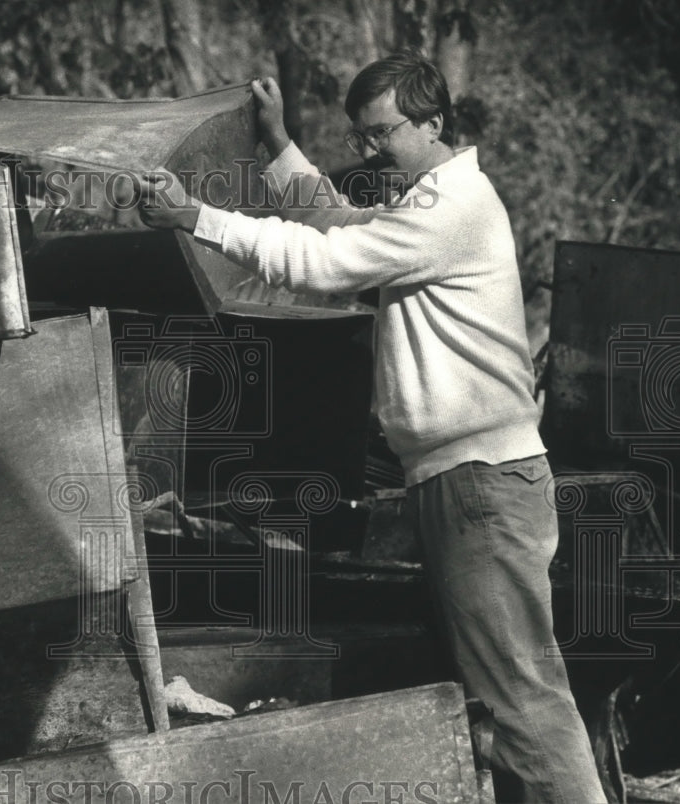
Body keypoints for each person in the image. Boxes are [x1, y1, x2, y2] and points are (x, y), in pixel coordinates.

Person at [135, 52, 607, 804]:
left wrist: (197, 217)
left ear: (433, 123)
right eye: (359, 138)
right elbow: (341, 223)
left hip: (480, 484)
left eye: (381, 134)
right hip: (462, 480)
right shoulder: (425, 205)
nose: (369, 151)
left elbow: (325, 262)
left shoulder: (454, 208)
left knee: (522, 696)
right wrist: (279, 144)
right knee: (502, 692)